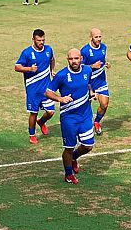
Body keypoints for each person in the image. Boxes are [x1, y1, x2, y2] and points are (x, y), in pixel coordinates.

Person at [45, 49, 97, 184]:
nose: (73, 61)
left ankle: (74, 157)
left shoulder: (87, 70)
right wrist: (60, 99)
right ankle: (68, 174)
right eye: (71, 59)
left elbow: (88, 83)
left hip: (85, 115)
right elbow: (48, 92)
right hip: (69, 118)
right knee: (69, 147)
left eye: (76, 58)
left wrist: (91, 92)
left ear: (81, 59)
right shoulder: (61, 75)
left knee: (88, 146)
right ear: (67, 60)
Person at [14, 29, 56, 144]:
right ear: (33, 39)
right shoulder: (27, 53)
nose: (41, 42)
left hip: (46, 88)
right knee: (33, 113)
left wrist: (52, 70)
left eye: (43, 40)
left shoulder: (48, 49)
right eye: (39, 40)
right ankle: (32, 134)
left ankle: (41, 122)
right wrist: (29, 69)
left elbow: (52, 59)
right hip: (33, 89)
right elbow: (17, 67)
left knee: (51, 112)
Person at [81, 29, 111, 136]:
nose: (98, 39)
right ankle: (84, 128)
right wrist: (92, 66)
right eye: (96, 37)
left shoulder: (103, 47)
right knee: (85, 108)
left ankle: (97, 122)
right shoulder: (84, 51)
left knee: (104, 104)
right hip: (88, 83)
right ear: (91, 37)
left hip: (101, 81)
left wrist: (106, 64)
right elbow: (80, 68)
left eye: (99, 36)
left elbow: (101, 60)